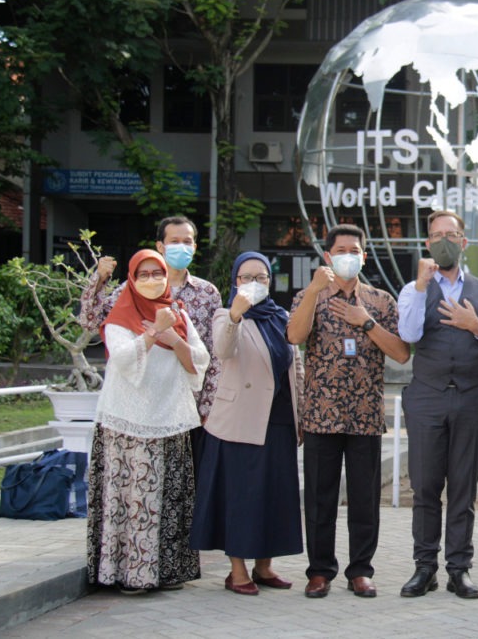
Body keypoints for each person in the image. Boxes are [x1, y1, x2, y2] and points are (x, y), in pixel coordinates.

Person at [396, 210, 478, 599]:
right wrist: (419, 285)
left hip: (468, 398)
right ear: (427, 244)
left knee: (463, 487)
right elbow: (409, 334)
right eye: (436, 235)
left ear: (463, 242)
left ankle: (459, 569)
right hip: (427, 397)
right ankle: (424, 567)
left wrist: (474, 325)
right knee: (425, 486)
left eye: (451, 234)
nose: (443, 240)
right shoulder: (411, 289)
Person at [288, 224, 409, 599]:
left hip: (364, 416)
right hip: (321, 416)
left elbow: (402, 354)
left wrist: (365, 322)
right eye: (340, 249)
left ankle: (360, 571)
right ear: (327, 256)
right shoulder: (310, 296)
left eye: (354, 250)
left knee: (364, 500)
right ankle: (320, 571)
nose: (347, 255)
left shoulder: (381, 301)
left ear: (364, 256)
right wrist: (312, 293)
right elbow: (294, 336)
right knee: (320, 500)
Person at [86, 250, 210, 594]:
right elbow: (123, 359)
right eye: (144, 274)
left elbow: (199, 361)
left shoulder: (179, 313)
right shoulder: (120, 313)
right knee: (133, 499)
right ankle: (131, 574)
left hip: (170, 418)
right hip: (128, 423)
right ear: (132, 278)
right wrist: (155, 332)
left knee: (168, 498)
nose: (153, 280)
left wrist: (174, 339)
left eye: (158, 273)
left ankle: (168, 571)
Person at [190, 252, 304, 596]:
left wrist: (301, 415)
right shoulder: (225, 315)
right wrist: (237, 316)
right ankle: (237, 571)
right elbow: (223, 351)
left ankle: (265, 566)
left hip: (280, 420)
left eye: (261, 277)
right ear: (235, 281)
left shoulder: (281, 316)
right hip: (240, 420)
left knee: (274, 494)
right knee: (242, 496)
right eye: (246, 277)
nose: (254, 283)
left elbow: (294, 366)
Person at [80, 216, 222, 472]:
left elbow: (214, 353)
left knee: (186, 483)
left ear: (195, 246)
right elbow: (92, 321)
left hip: (187, 405)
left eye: (187, 241)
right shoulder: (132, 290)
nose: (182, 247)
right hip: (143, 405)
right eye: (174, 241)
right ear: (160, 246)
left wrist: (208, 405)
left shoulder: (207, 292)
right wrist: (99, 280)